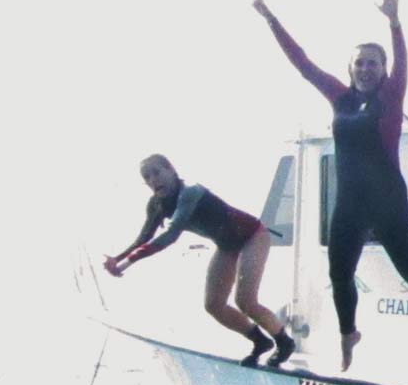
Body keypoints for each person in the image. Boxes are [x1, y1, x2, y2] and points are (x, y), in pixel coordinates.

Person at [253, 0, 408, 374]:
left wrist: (395, 24)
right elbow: (303, 64)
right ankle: (348, 335)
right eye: (360, 63)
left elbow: (404, 60)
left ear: (383, 70)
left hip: (388, 199)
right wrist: (271, 18)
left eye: (373, 63)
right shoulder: (339, 98)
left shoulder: (391, 96)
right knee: (339, 274)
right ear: (351, 68)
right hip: (351, 203)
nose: (366, 68)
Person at [106, 155, 296, 367]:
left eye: (157, 172)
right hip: (226, 244)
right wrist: (117, 258)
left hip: (253, 236)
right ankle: (260, 341)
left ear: (171, 169)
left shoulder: (190, 193)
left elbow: (171, 235)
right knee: (213, 305)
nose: (153, 180)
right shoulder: (156, 205)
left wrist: (126, 263)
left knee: (245, 301)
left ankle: (284, 341)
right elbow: (144, 237)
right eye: (147, 177)